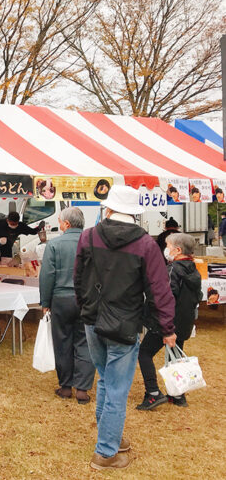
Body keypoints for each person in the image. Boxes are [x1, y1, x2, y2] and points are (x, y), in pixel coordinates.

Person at [74, 185, 176, 470]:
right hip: (125, 322)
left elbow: (78, 278)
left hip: (93, 319)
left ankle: (111, 439)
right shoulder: (145, 244)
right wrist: (167, 328)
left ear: (108, 209)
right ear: (136, 213)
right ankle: (106, 452)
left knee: (107, 379)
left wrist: (85, 306)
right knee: (116, 386)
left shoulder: (89, 236)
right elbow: (159, 289)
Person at [137, 233, 202, 410]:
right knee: (175, 358)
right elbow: (198, 296)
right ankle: (177, 394)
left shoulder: (173, 270)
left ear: (178, 250)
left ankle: (153, 393)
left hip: (166, 323)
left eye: (167, 245)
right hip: (182, 323)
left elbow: (164, 299)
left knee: (144, 353)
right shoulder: (193, 269)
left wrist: (166, 328)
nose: (165, 249)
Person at [39, 207, 94, 404]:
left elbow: (47, 275)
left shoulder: (54, 244)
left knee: (62, 342)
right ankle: (82, 388)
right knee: (85, 342)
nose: (59, 224)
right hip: (87, 299)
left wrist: (45, 302)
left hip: (61, 298)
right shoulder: (93, 244)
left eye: (60, 221)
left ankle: (65, 386)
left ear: (67, 224)